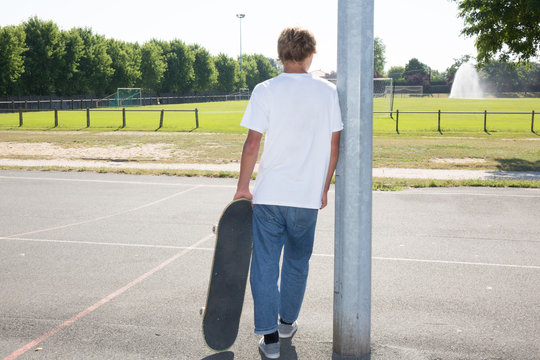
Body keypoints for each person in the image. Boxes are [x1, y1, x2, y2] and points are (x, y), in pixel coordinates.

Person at [233, 27, 343, 359]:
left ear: (280, 55)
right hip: (306, 198)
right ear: (311, 54)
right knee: (297, 262)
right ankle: (285, 323)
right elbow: (333, 145)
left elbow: (253, 143)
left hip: (268, 196)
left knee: (264, 265)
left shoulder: (265, 89)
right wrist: (323, 188)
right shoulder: (327, 92)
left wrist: (242, 187)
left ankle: (269, 340)